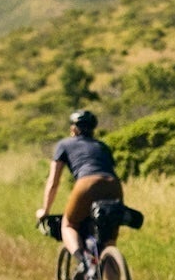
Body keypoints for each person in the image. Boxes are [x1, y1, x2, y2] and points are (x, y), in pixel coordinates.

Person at [37, 110, 123, 265]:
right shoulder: (102, 146)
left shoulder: (64, 144)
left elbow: (53, 182)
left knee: (68, 224)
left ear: (74, 128)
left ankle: (84, 263)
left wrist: (45, 210)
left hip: (87, 184)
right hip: (114, 185)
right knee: (108, 242)